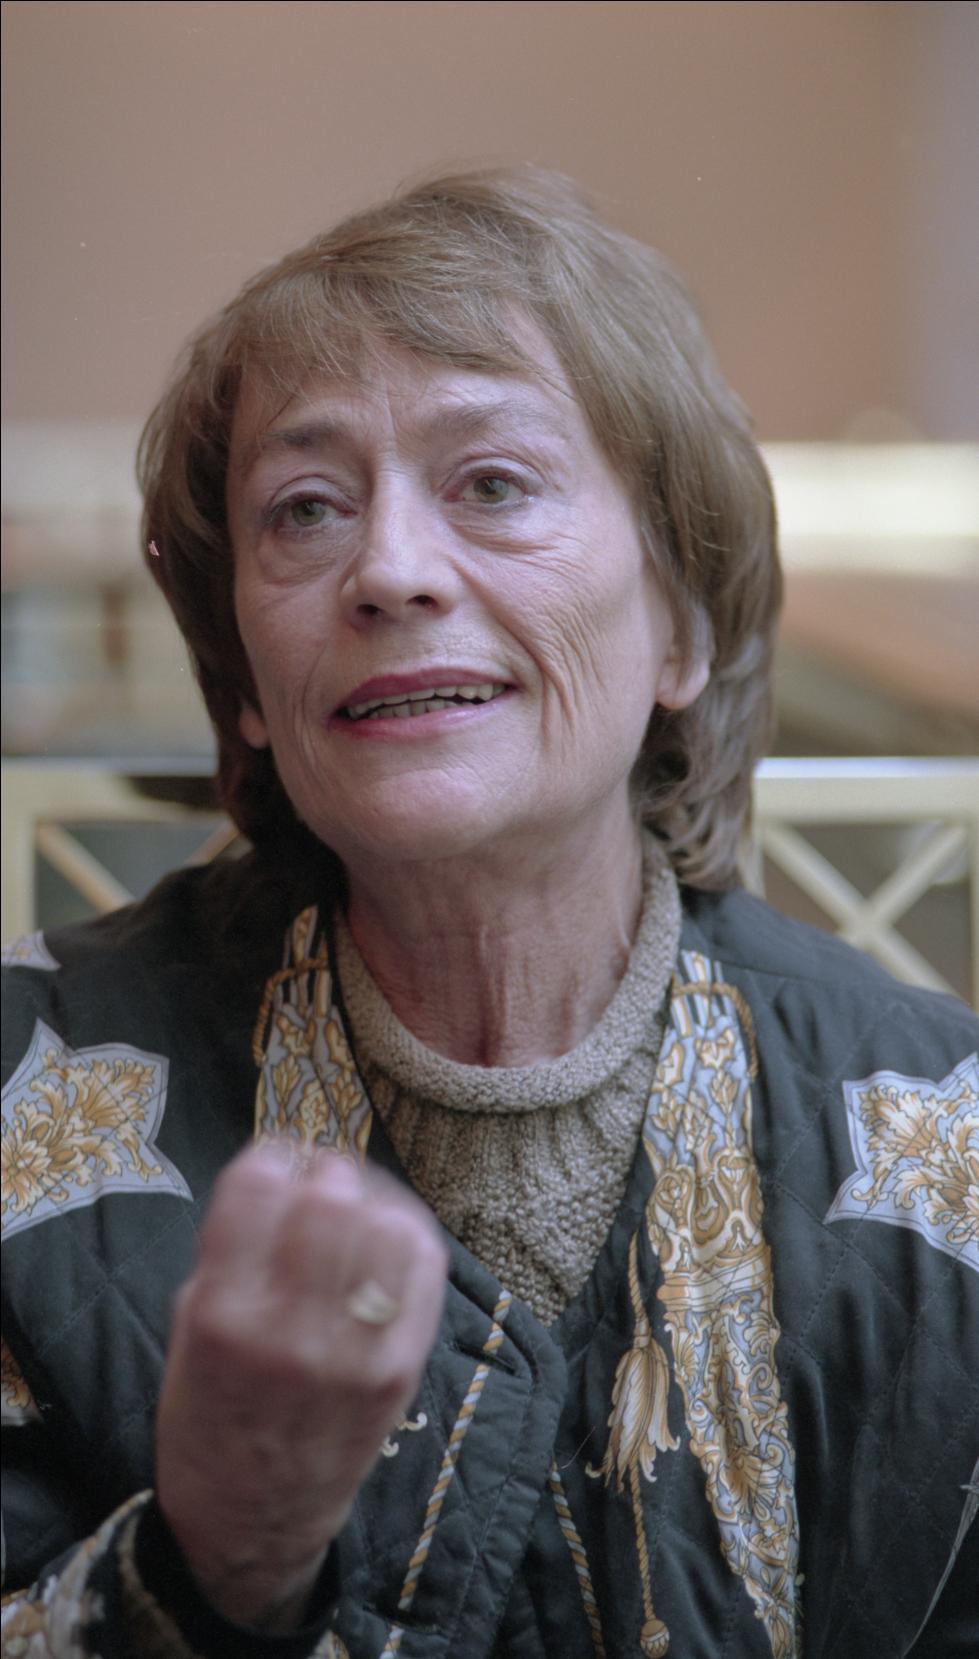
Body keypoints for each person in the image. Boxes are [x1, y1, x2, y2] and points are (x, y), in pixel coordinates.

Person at [1, 167, 976, 1659]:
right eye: (305, 509)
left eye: (495, 485)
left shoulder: (947, 1136)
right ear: (246, 681)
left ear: (683, 623)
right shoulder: (23, 1087)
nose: (390, 570)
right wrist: (206, 1567)